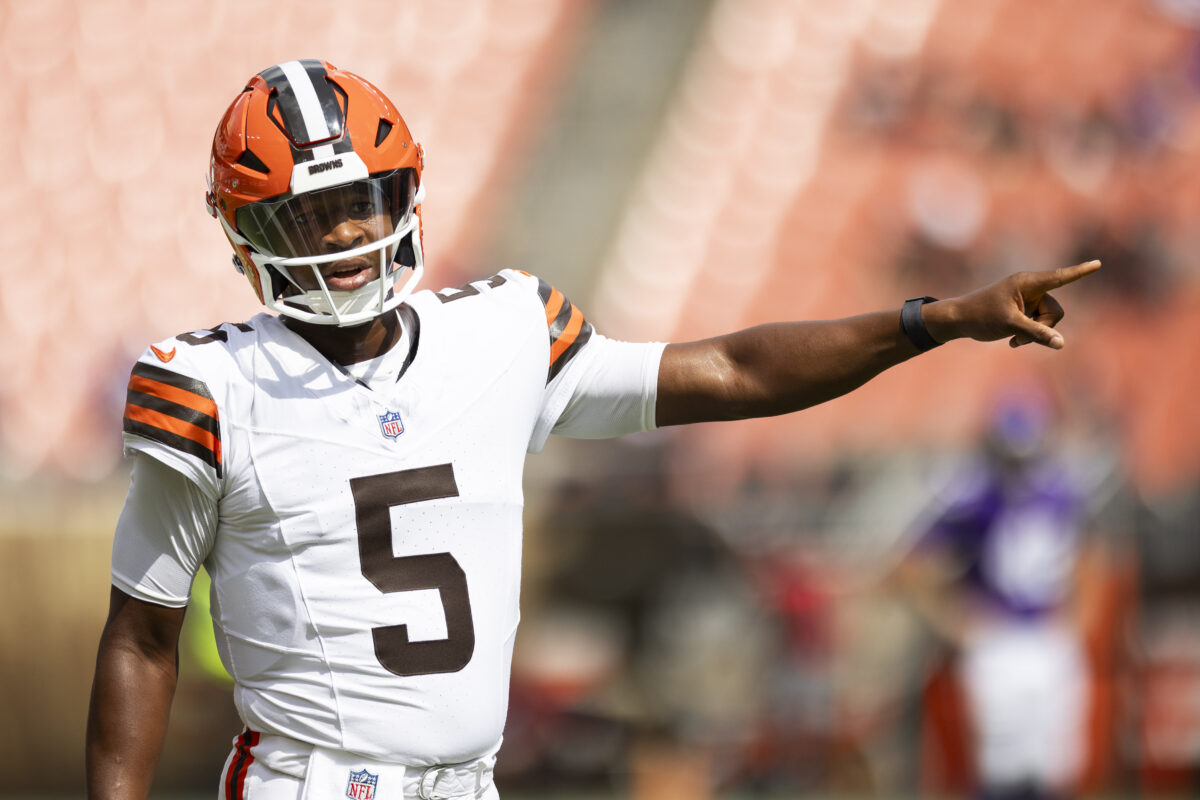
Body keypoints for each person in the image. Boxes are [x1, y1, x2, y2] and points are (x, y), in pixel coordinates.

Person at [85, 59, 1100, 800]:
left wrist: (934, 318)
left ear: (403, 194)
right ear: (245, 234)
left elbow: (735, 369)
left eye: (359, 203)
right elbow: (142, 633)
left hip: (468, 783)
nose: (345, 236)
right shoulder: (211, 385)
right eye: (306, 217)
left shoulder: (500, 331)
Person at [896, 392, 1092, 800]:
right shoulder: (975, 496)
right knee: (1000, 773)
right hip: (998, 639)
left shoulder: (1061, 492)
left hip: (1047, 635)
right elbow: (913, 566)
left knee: (1052, 771)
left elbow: (1095, 553)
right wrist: (955, 623)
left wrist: (1078, 619)